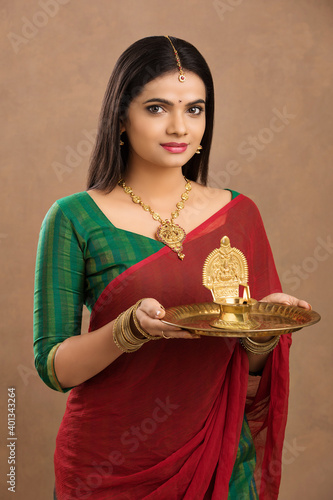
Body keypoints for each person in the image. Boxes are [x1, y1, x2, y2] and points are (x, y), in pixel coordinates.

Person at [33, 35, 311, 500]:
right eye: (158, 108)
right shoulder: (74, 218)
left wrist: (266, 331)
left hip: (219, 456)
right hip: (109, 465)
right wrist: (128, 330)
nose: (180, 127)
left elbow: (249, 371)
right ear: (121, 117)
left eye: (195, 109)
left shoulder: (239, 214)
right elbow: (53, 367)